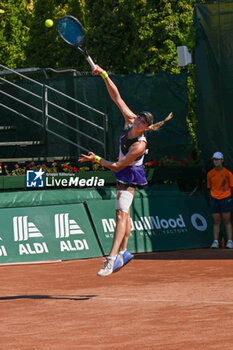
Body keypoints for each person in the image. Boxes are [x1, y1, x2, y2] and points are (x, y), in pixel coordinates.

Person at [79, 65, 172, 276]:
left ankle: (110, 259)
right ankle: (124, 252)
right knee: (124, 214)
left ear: (147, 127)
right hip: (122, 172)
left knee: (121, 215)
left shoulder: (139, 145)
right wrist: (104, 75)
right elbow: (116, 97)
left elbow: (118, 166)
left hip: (130, 175)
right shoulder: (130, 121)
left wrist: (96, 159)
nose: (139, 120)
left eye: (143, 121)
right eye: (139, 117)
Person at [207, 151, 233, 249]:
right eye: (214, 160)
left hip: (226, 198)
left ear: (222, 160)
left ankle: (230, 241)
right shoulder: (210, 174)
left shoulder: (228, 173)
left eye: (217, 159)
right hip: (214, 198)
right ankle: (215, 242)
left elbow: (231, 186)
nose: (215, 161)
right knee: (216, 221)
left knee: (227, 221)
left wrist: (225, 194)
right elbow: (210, 187)